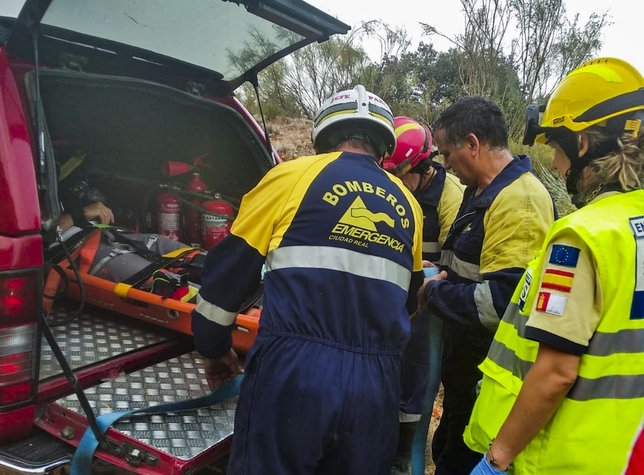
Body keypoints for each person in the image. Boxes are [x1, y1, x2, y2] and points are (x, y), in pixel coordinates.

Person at [191, 85, 425, 475]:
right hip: (376, 384)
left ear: (325, 138)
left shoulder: (290, 178)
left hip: (294, 371)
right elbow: (409, 301)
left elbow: (227, 277)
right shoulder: (408, 204)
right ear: (384, 147)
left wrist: (214, 348)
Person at [464, 57, 644, 474]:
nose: (558, 166)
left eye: (558, 150)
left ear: (583, 145)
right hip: (624, 452)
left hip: (564, 458)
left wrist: (497, 458)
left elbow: (556, 373)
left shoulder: (582, 236)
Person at [417, 96, 555, 475]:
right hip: (464, 370)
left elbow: (503, 303)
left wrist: (435, 292)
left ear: (473, 145)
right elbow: (471, 264)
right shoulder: (480, 192)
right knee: (445, 445)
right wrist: (438, 268)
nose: (444, 165)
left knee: (457, 460)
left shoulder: (520, 203)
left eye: (447, 153)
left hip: (487, 378)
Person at [384, 116, 464, 473]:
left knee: (417, 382)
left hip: (429, 311)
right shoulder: (389, 188)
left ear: (422, 166)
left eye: (399, 176)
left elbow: (453, 268)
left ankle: (407, 454)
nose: (393, 185)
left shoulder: (451, 198)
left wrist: (425, 270)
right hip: (396, 300)